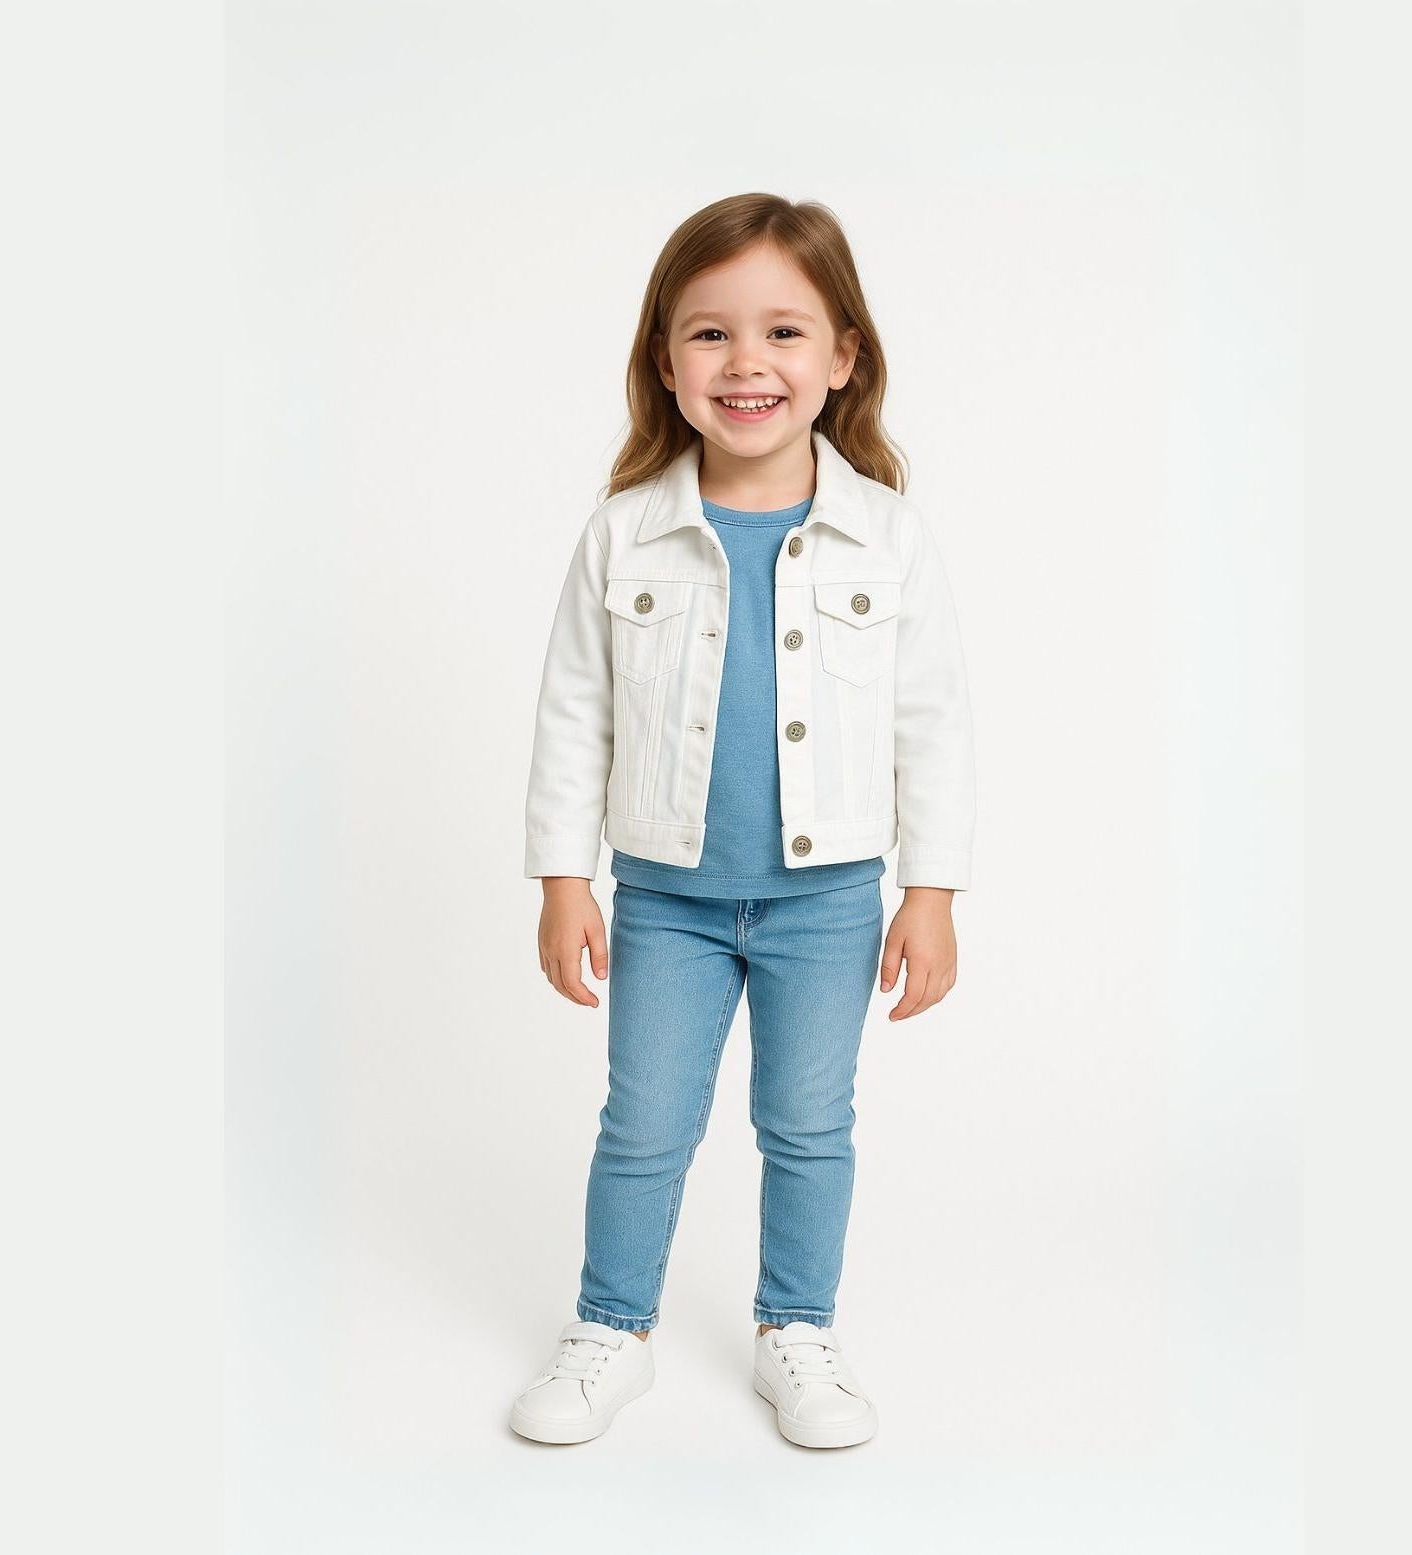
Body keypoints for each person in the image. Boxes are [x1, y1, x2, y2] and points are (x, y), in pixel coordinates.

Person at [509, 193, 975, 1449]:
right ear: (666, 361)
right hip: (664, 897)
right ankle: (613, 1326)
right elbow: (571, 714)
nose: (747, 363)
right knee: (645, 1121)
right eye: (709, 334)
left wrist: (930, 892)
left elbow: (932, 722)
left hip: (830, 903)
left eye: (782, 331)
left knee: (809, 1124)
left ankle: (795, 1328)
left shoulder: (887, 536)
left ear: (842, 357)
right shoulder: (623, 535)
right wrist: (565, 877)